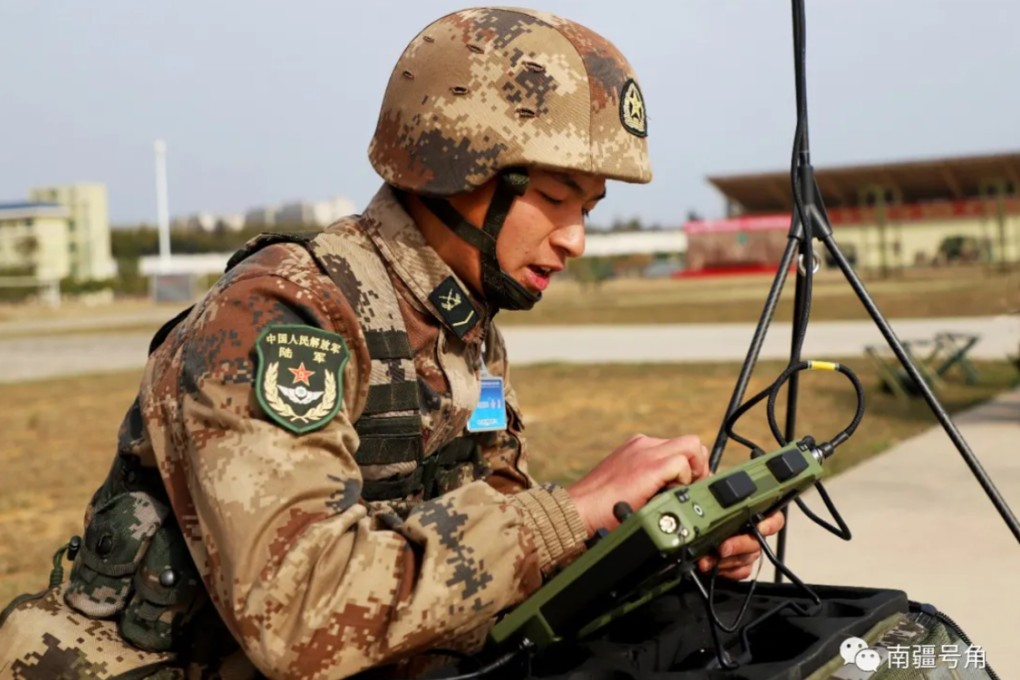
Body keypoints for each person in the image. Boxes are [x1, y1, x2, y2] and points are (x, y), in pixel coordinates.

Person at [0, 7, 783, 679]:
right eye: (552, 198)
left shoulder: (457, 326)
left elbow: (472, 549)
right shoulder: (286, 318)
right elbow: (300, 616)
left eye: (590, 207)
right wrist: (565, 515)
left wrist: (646, 540)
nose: (576, 238)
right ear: (452, 169)